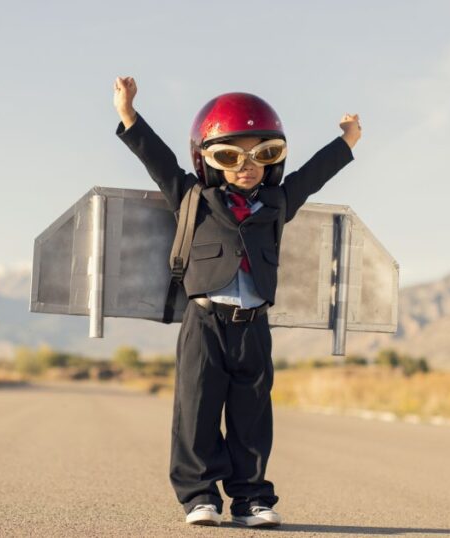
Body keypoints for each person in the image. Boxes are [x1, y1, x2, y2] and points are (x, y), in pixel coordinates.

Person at [113, 76, 360, 527]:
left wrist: (346, 142)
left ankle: (251, 498)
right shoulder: (193, 197)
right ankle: (199, 496)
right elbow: (158, 161)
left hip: (253, 323)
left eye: (262, 154)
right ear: (208, 159)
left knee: (252, 415)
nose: (247, 166)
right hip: (204, 319)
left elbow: (313, 175)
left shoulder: (279, 202)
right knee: (197, 409)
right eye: (231, 155)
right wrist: (129, 115)